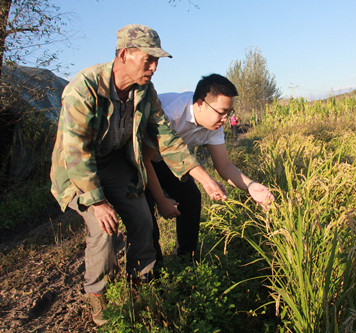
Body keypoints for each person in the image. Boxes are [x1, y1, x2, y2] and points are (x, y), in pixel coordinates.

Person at [49, 24, 226, 326]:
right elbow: (76, 150)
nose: (154, 67)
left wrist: (205, 179)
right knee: (104, 230)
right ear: (124, 55)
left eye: (157, 61)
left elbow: (166, 138)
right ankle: (99, 300)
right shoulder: (84, 88)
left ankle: (142, 285)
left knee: (142, 218)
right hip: (78, 168)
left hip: (116, 163)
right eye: (148, 60)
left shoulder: (144, 91)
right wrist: (96, 201)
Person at [143, 74, 274, 264]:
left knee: (191, 197)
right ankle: (153, 272)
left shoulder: (215, 124)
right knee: (145, 212)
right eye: (221, 112)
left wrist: (251, 186)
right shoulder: (170, 114)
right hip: (139, 158)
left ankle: (186, 260)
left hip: (171, 159)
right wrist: (161, 200)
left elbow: (224, 166)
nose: (225, 119)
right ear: (200, 103)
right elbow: (144, 161)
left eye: (229, 113)